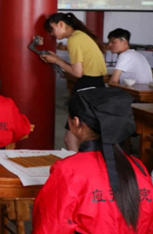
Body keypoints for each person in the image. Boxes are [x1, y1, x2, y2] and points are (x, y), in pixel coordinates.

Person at [32, 87, 153, 234]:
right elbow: (148, 228)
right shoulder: (138, 166)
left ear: (76, 123)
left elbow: (51, 226)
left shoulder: (68, 169)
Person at [40, 12, 107, 151]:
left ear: (61, 24)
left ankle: (77, 164)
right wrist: (58, 59)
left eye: (52, 29)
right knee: (87, 136)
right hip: (97, 86)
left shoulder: (74, 40)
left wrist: (57, 61)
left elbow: (77, 72)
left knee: (71, 139)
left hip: (85, 88)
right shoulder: (81, 36)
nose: (51, 34)